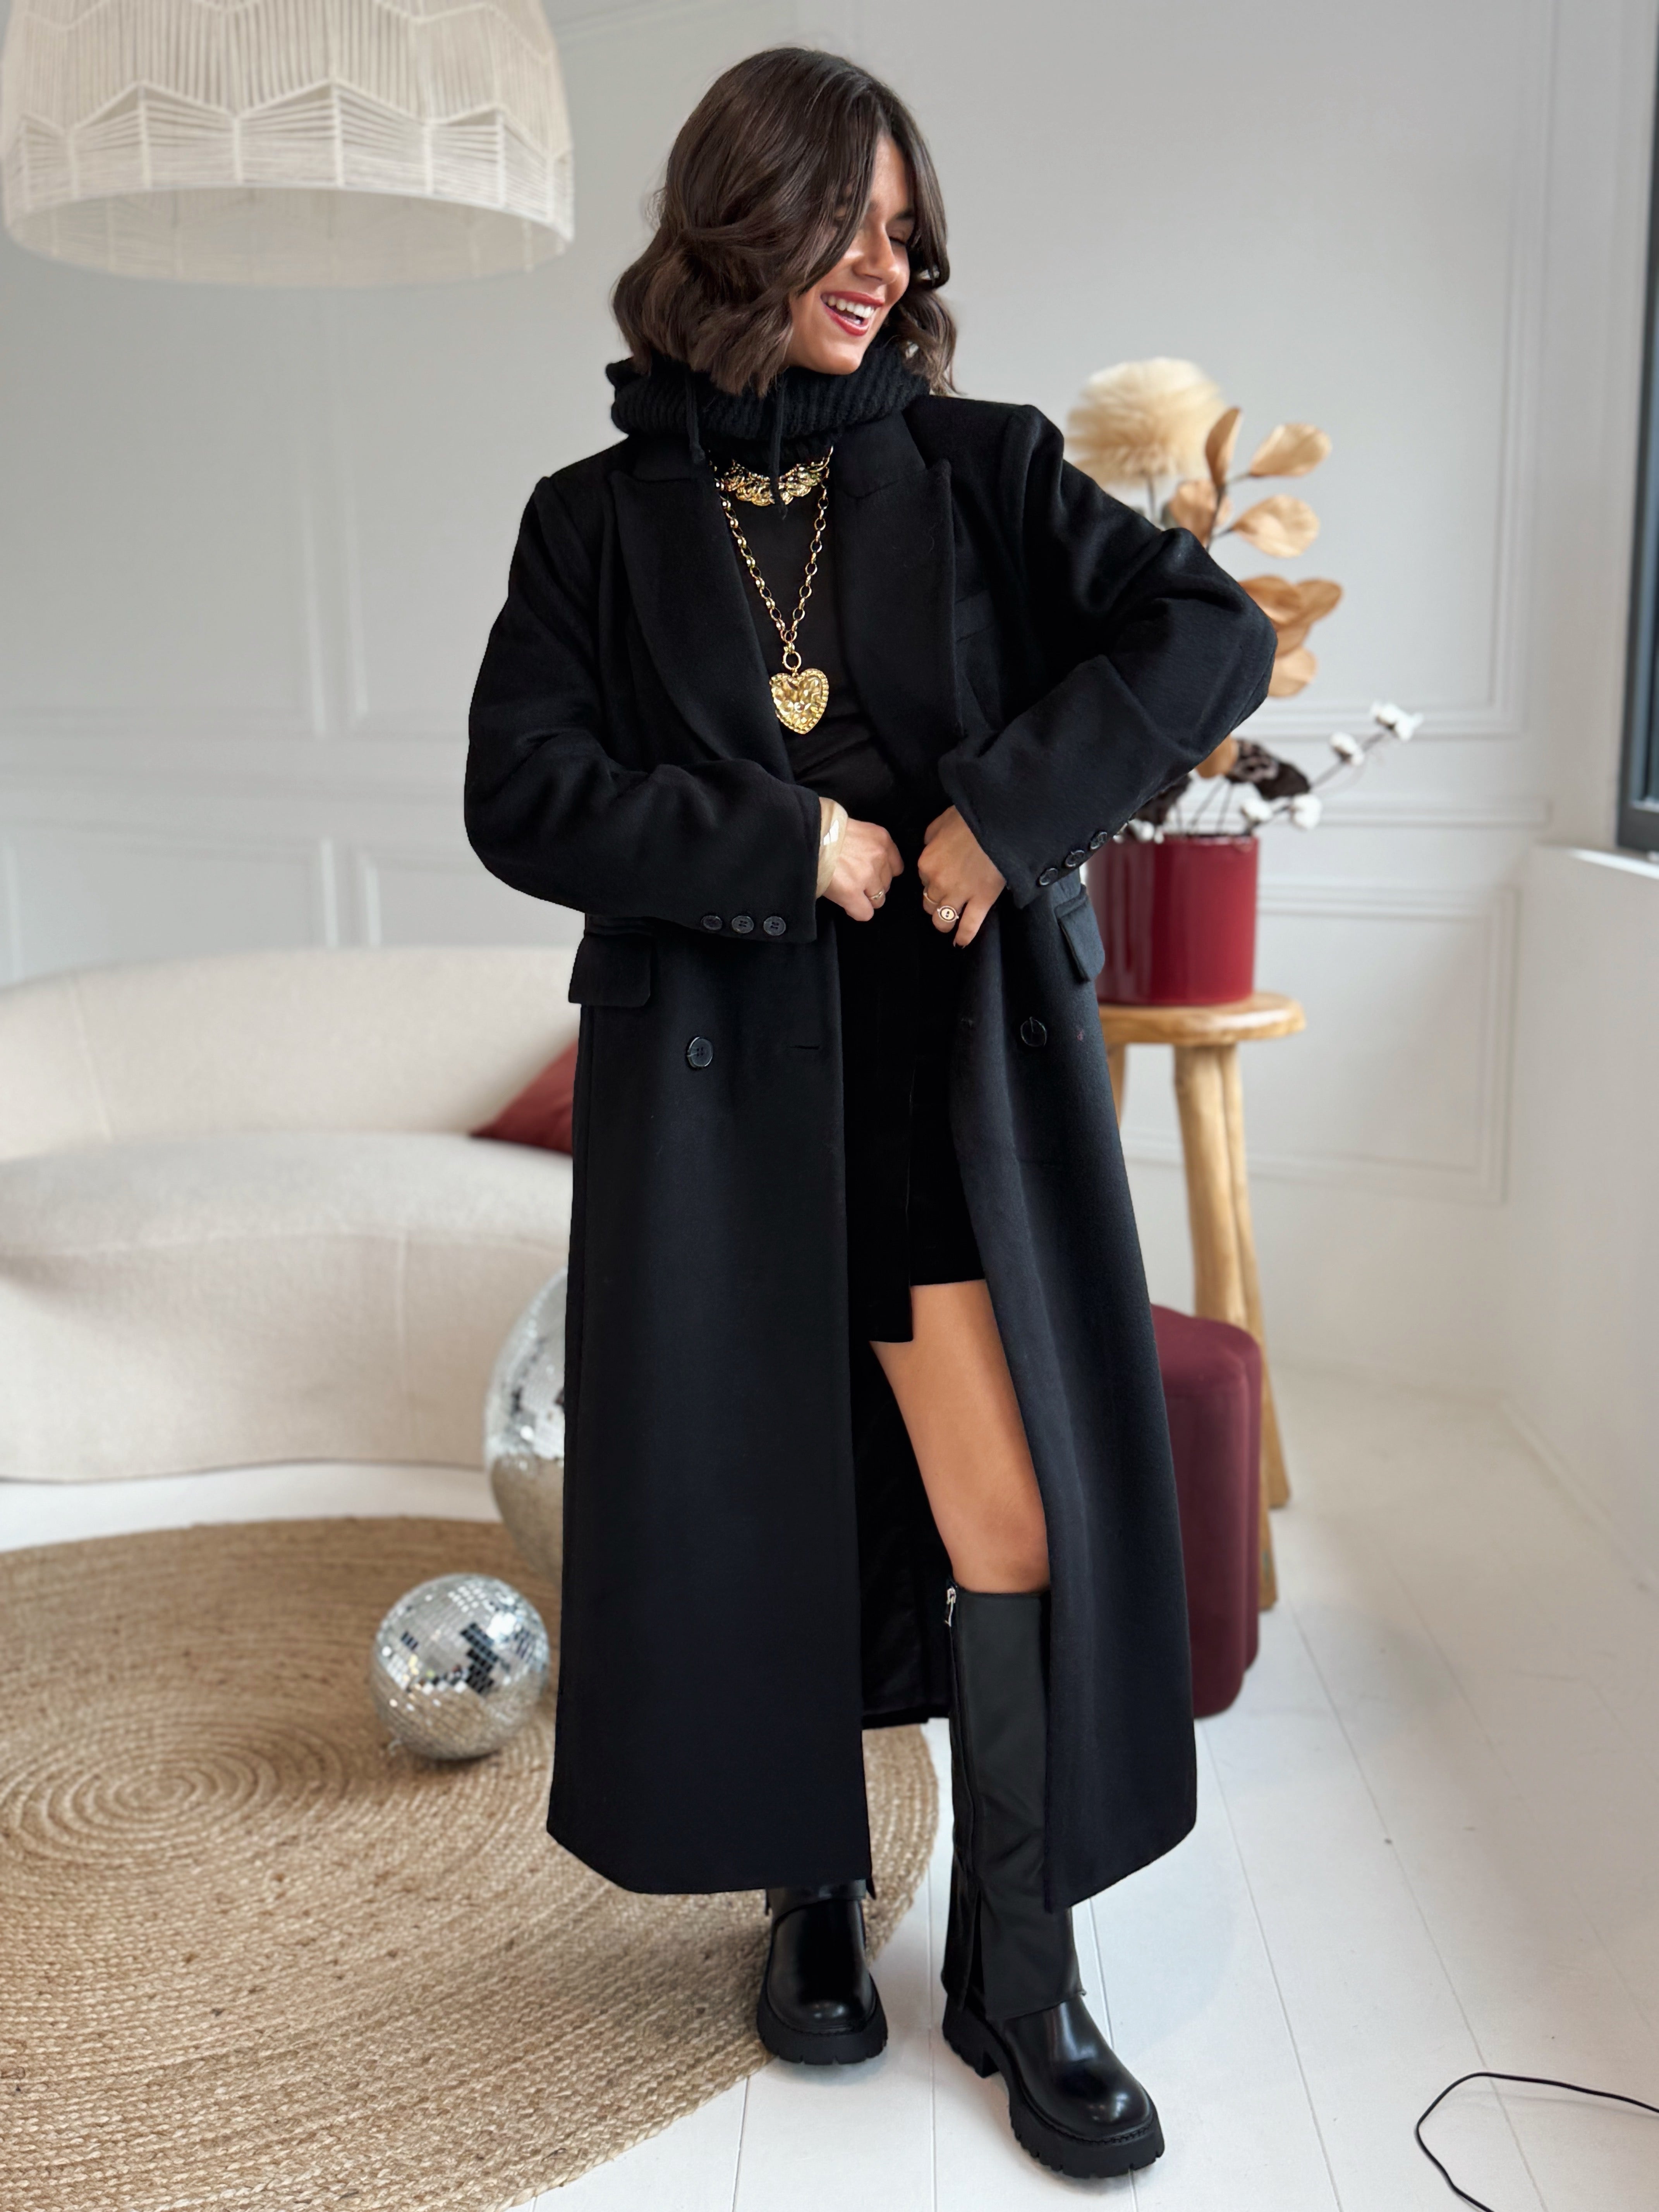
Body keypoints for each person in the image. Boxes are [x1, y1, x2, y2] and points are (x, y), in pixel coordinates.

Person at [466, 45, 1275, 2182]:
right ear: (747, 215)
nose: (888, 265)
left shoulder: (983, 471)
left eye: (909, 235)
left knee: (1007, 1518)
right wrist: (782, 843)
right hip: (721, 1122)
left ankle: (1022, 1964)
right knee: (765, 1508)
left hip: (944, 1099)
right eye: (855, 220)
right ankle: (808, 1896)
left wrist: (1006, 813)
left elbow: (1205, 635)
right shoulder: (591, 522)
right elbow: (521, 794)